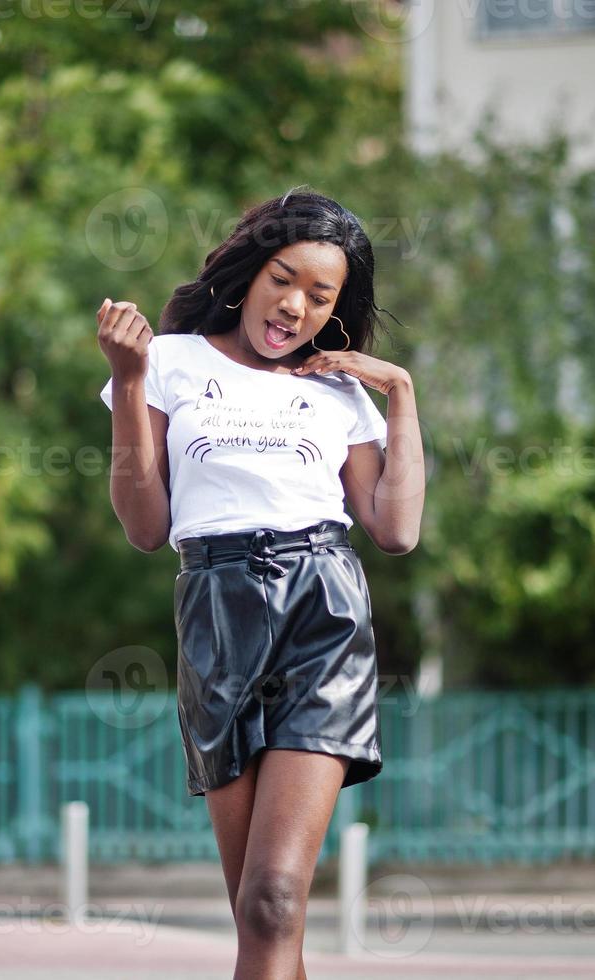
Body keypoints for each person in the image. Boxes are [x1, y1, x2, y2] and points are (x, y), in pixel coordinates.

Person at [96, 188, 425, 979]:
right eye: (284, 279)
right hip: (218, 609)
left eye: (322, 296)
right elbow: (144, 525)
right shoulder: (167, 361)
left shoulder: (337, 388)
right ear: (249, 272)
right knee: (262, 914)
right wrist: (130, 380)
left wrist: (402, 395)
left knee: (274, 898)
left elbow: (396, 530)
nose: (295, 307)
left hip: (322, 611)